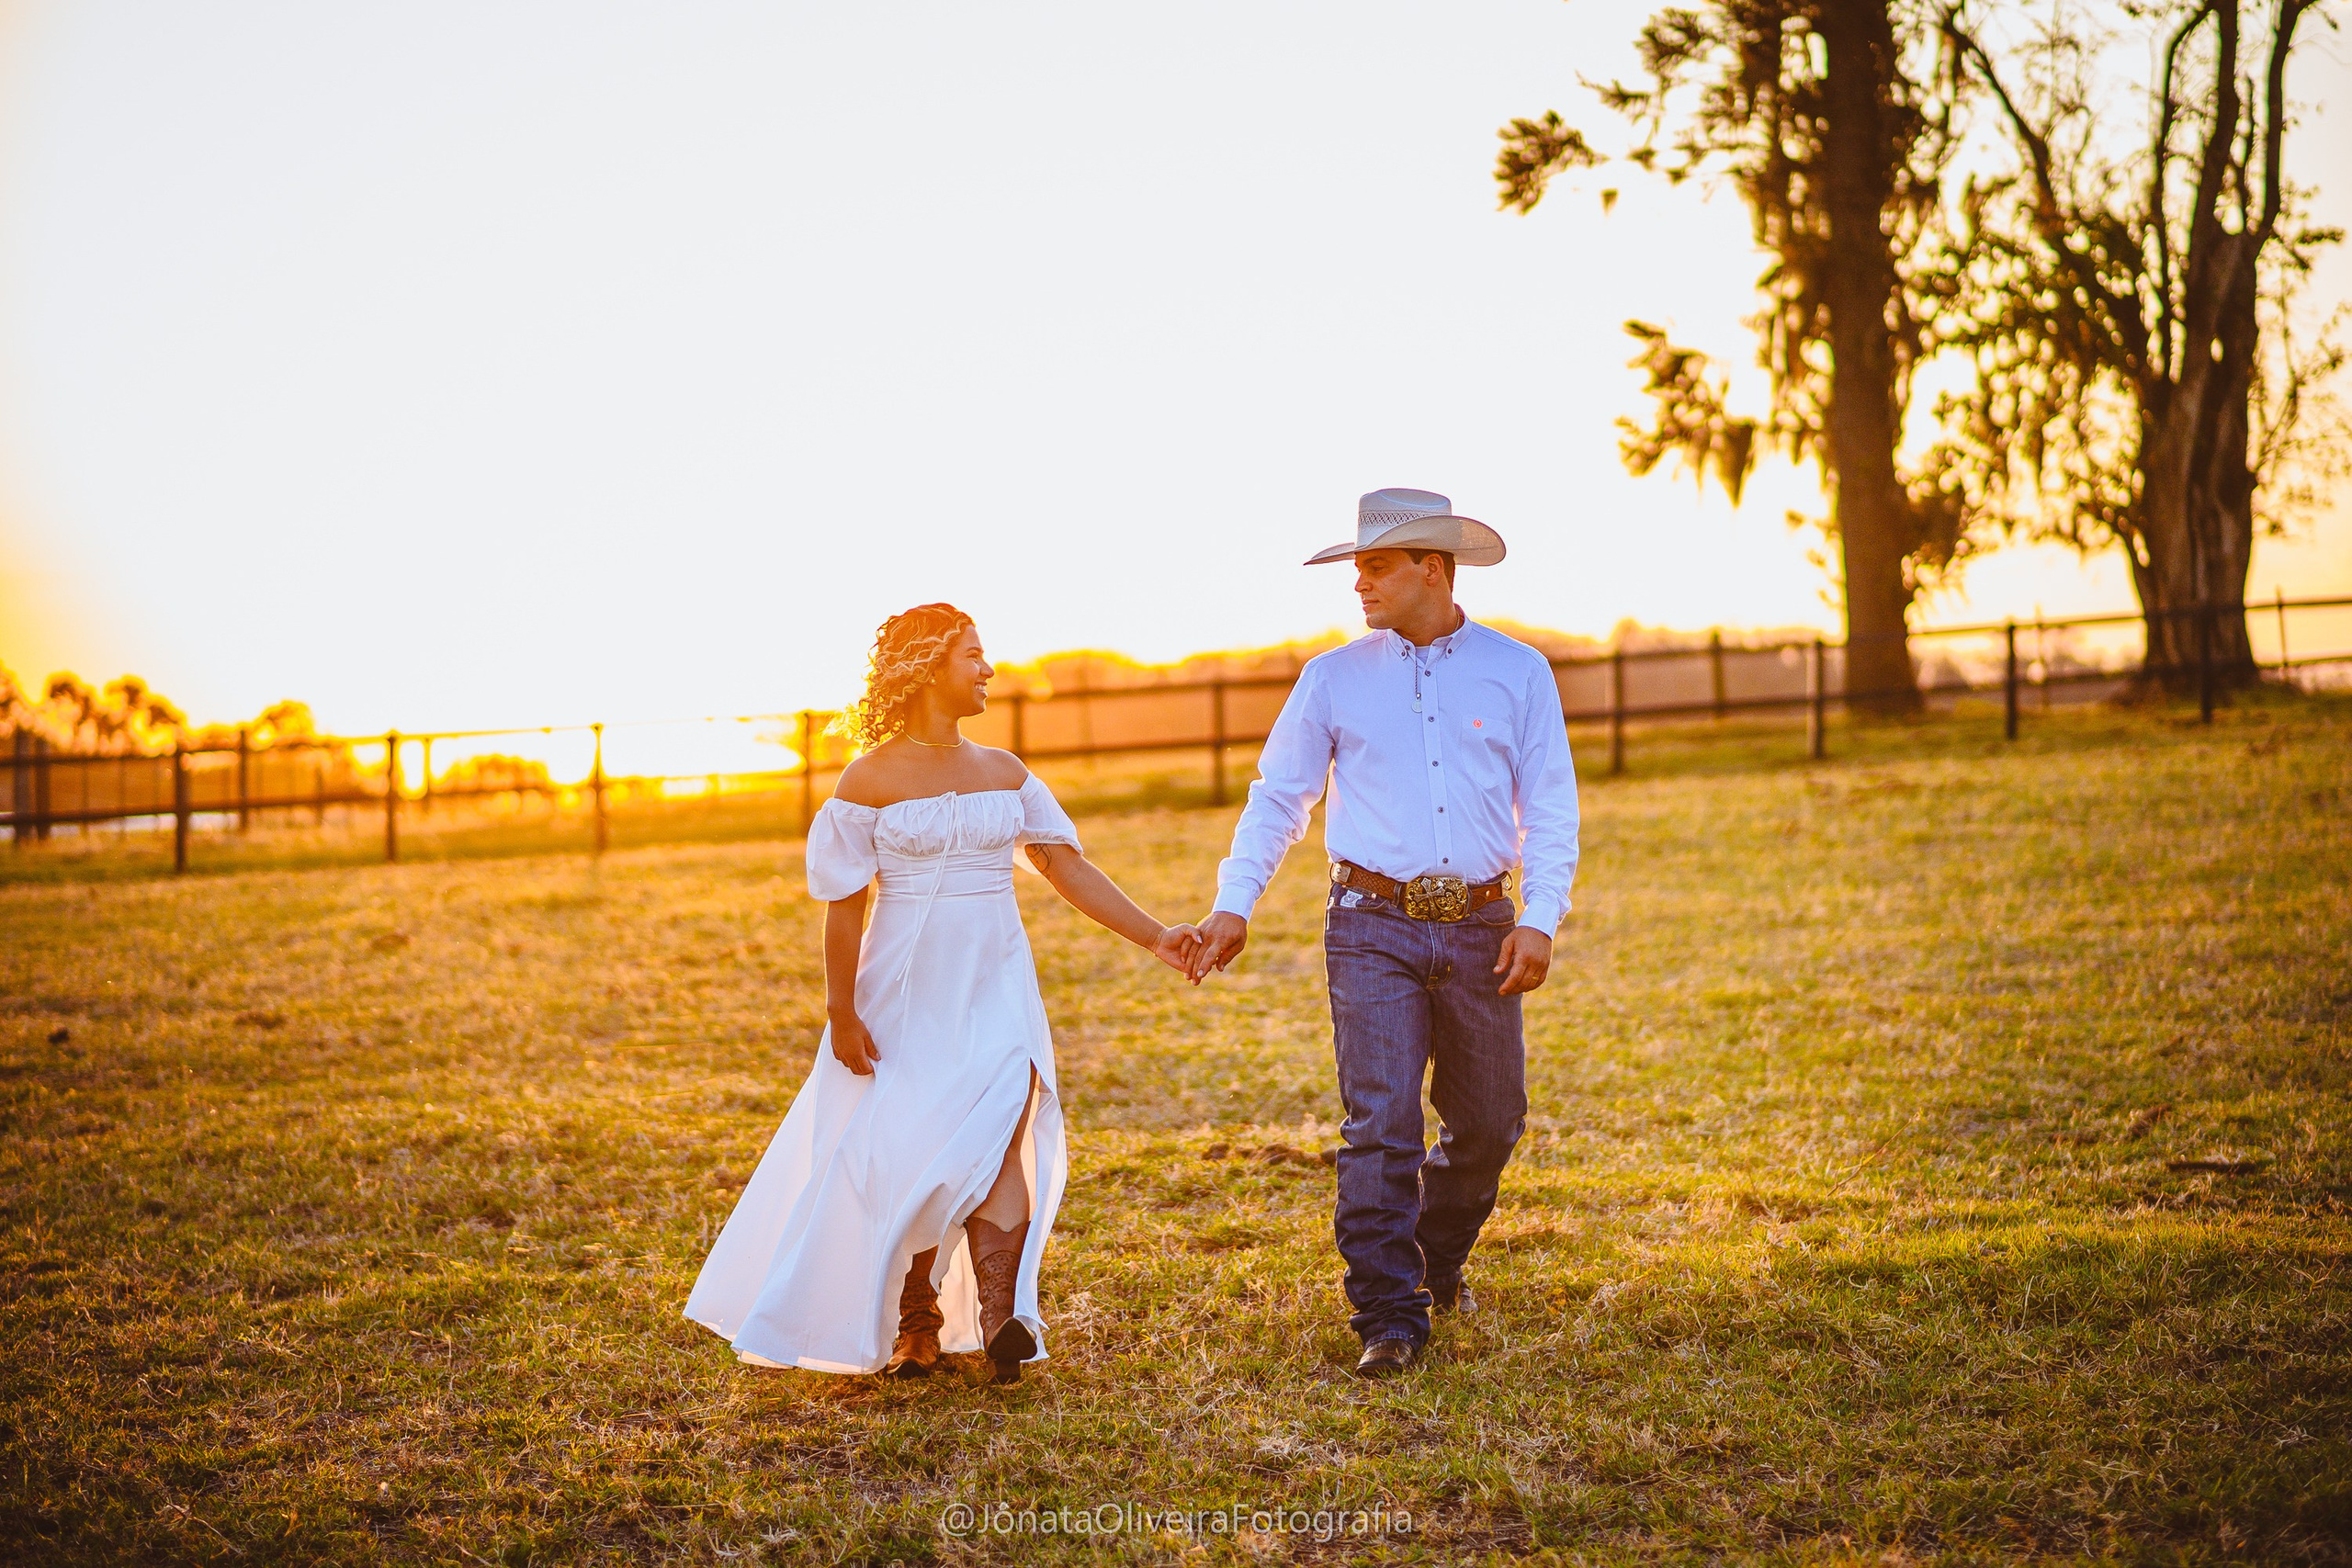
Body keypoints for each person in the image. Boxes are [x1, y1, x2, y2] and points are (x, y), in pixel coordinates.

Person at [685, 604, 1203, 1383]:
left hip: (995, 981)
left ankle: (1002, 1319)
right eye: (974, 655)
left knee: (999, 1125)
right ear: (929, 666)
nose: (989, 669)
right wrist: (840, 1012)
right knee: (914, 1145)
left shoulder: (1007, 773)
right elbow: (844, 904)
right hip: (903, 991)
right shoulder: (869, 779)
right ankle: (917, 1319)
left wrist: (1156, 934)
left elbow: (1066, 868)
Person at [1190, 489, 1580, 1378]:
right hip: (1368, 924)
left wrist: (1538, 919)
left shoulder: (1517, 671)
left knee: (1489, 1123)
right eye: (1356, 566)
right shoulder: (1331, 678)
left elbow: (1550, 806)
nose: (1357, 582)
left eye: (1374, 565)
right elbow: (1278, 799)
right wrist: (1234, 903)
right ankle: (1389, 1316)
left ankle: (1436, 1260)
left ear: (1431, 569)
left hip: (1483, 921)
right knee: (1383, 1122)